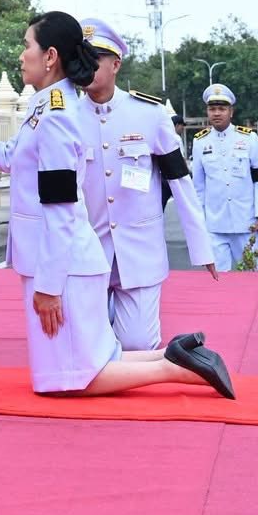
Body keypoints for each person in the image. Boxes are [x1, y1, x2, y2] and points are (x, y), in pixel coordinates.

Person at [0, 12, 234, 397]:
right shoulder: (46, 106)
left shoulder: (60, 115)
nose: (21, 55)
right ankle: (174, 355)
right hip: (69, 257)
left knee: (73, 379)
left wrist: (49, 286)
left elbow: (60, 206)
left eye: (27, 46)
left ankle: (176, 367)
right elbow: (10, 155)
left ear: (50, 56)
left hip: (69, 261)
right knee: (84, 363)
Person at [73, 17, 216, 350]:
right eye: (81, 57)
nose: (87, 66)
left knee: (138, 343)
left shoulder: (150, 114)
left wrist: (201, 246)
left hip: (139, 251)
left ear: (116, 64)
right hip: (87, 251)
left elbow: (180, 182)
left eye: (95, 58)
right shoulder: (65, 117)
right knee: (85, 347)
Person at [191, 85, 258, 272]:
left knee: (254, 274)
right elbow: (198, 187)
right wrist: (198, 221)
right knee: (217, 278)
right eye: (212, 109)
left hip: (246, 222)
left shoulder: (249, 138)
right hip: (214, 224)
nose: (216, 113)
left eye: (222, 109)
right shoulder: (200, 141)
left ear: (231, 112)